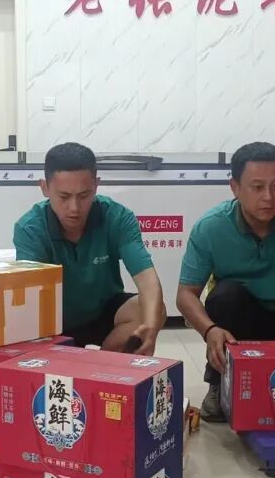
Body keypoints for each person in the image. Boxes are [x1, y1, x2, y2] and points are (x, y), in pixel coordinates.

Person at [176, 142, 275, 422]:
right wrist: (209, 330)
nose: (268, 197)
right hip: (240, 320)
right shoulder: (211, 227)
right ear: (235, 187)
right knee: (225, 297)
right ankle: (220, 383)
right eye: (257, 187)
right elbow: (186, 294)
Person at [14, 142, 167, 355]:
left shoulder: (117, 217)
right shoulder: (31, 229)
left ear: (96, 185)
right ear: (45, 188)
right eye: (64, 197)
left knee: (152, 310)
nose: (74, 208)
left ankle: (107, 365)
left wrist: (151, 328)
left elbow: (147, 279)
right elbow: (29, 301)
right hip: (56, 321)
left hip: (104, 312)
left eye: (84, 195)